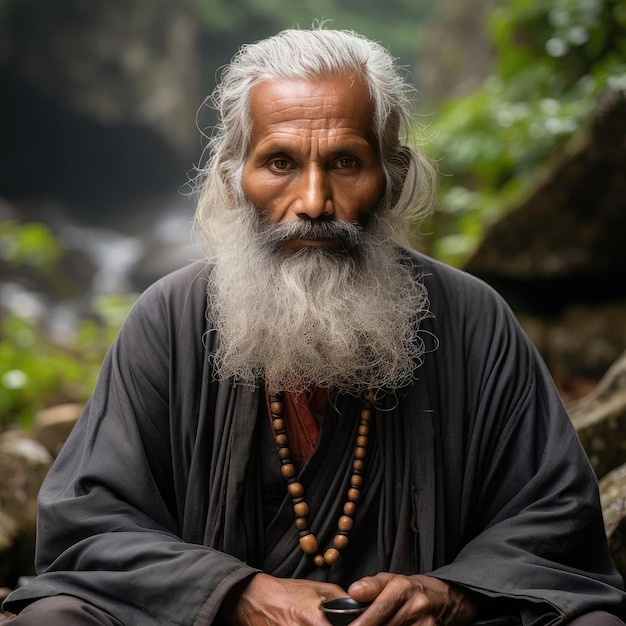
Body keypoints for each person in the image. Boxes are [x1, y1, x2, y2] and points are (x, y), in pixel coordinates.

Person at [2, 27, 625, 626]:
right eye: (279, 162)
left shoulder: (473, 319)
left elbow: (555, 515)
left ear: (395, 176)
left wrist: (451, 595)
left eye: (346, 162)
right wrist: (237, 594)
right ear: (232, 179)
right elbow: (90, 524)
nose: (313, 201)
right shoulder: (169, 319)